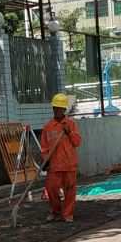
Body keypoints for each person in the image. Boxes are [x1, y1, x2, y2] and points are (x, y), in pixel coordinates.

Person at [40, 93, 82, 224]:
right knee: (51, 188)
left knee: (70, 190)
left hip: (69, 164)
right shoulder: (48, 127)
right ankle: (56, 212)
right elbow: (44, 147)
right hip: (55, 165)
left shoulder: (71, 124)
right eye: (55, 108)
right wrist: (46, 160)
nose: (57, 110)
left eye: (60, 108)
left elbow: (77, 142)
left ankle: (68, 214)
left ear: (64, 110)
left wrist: (69, 132)